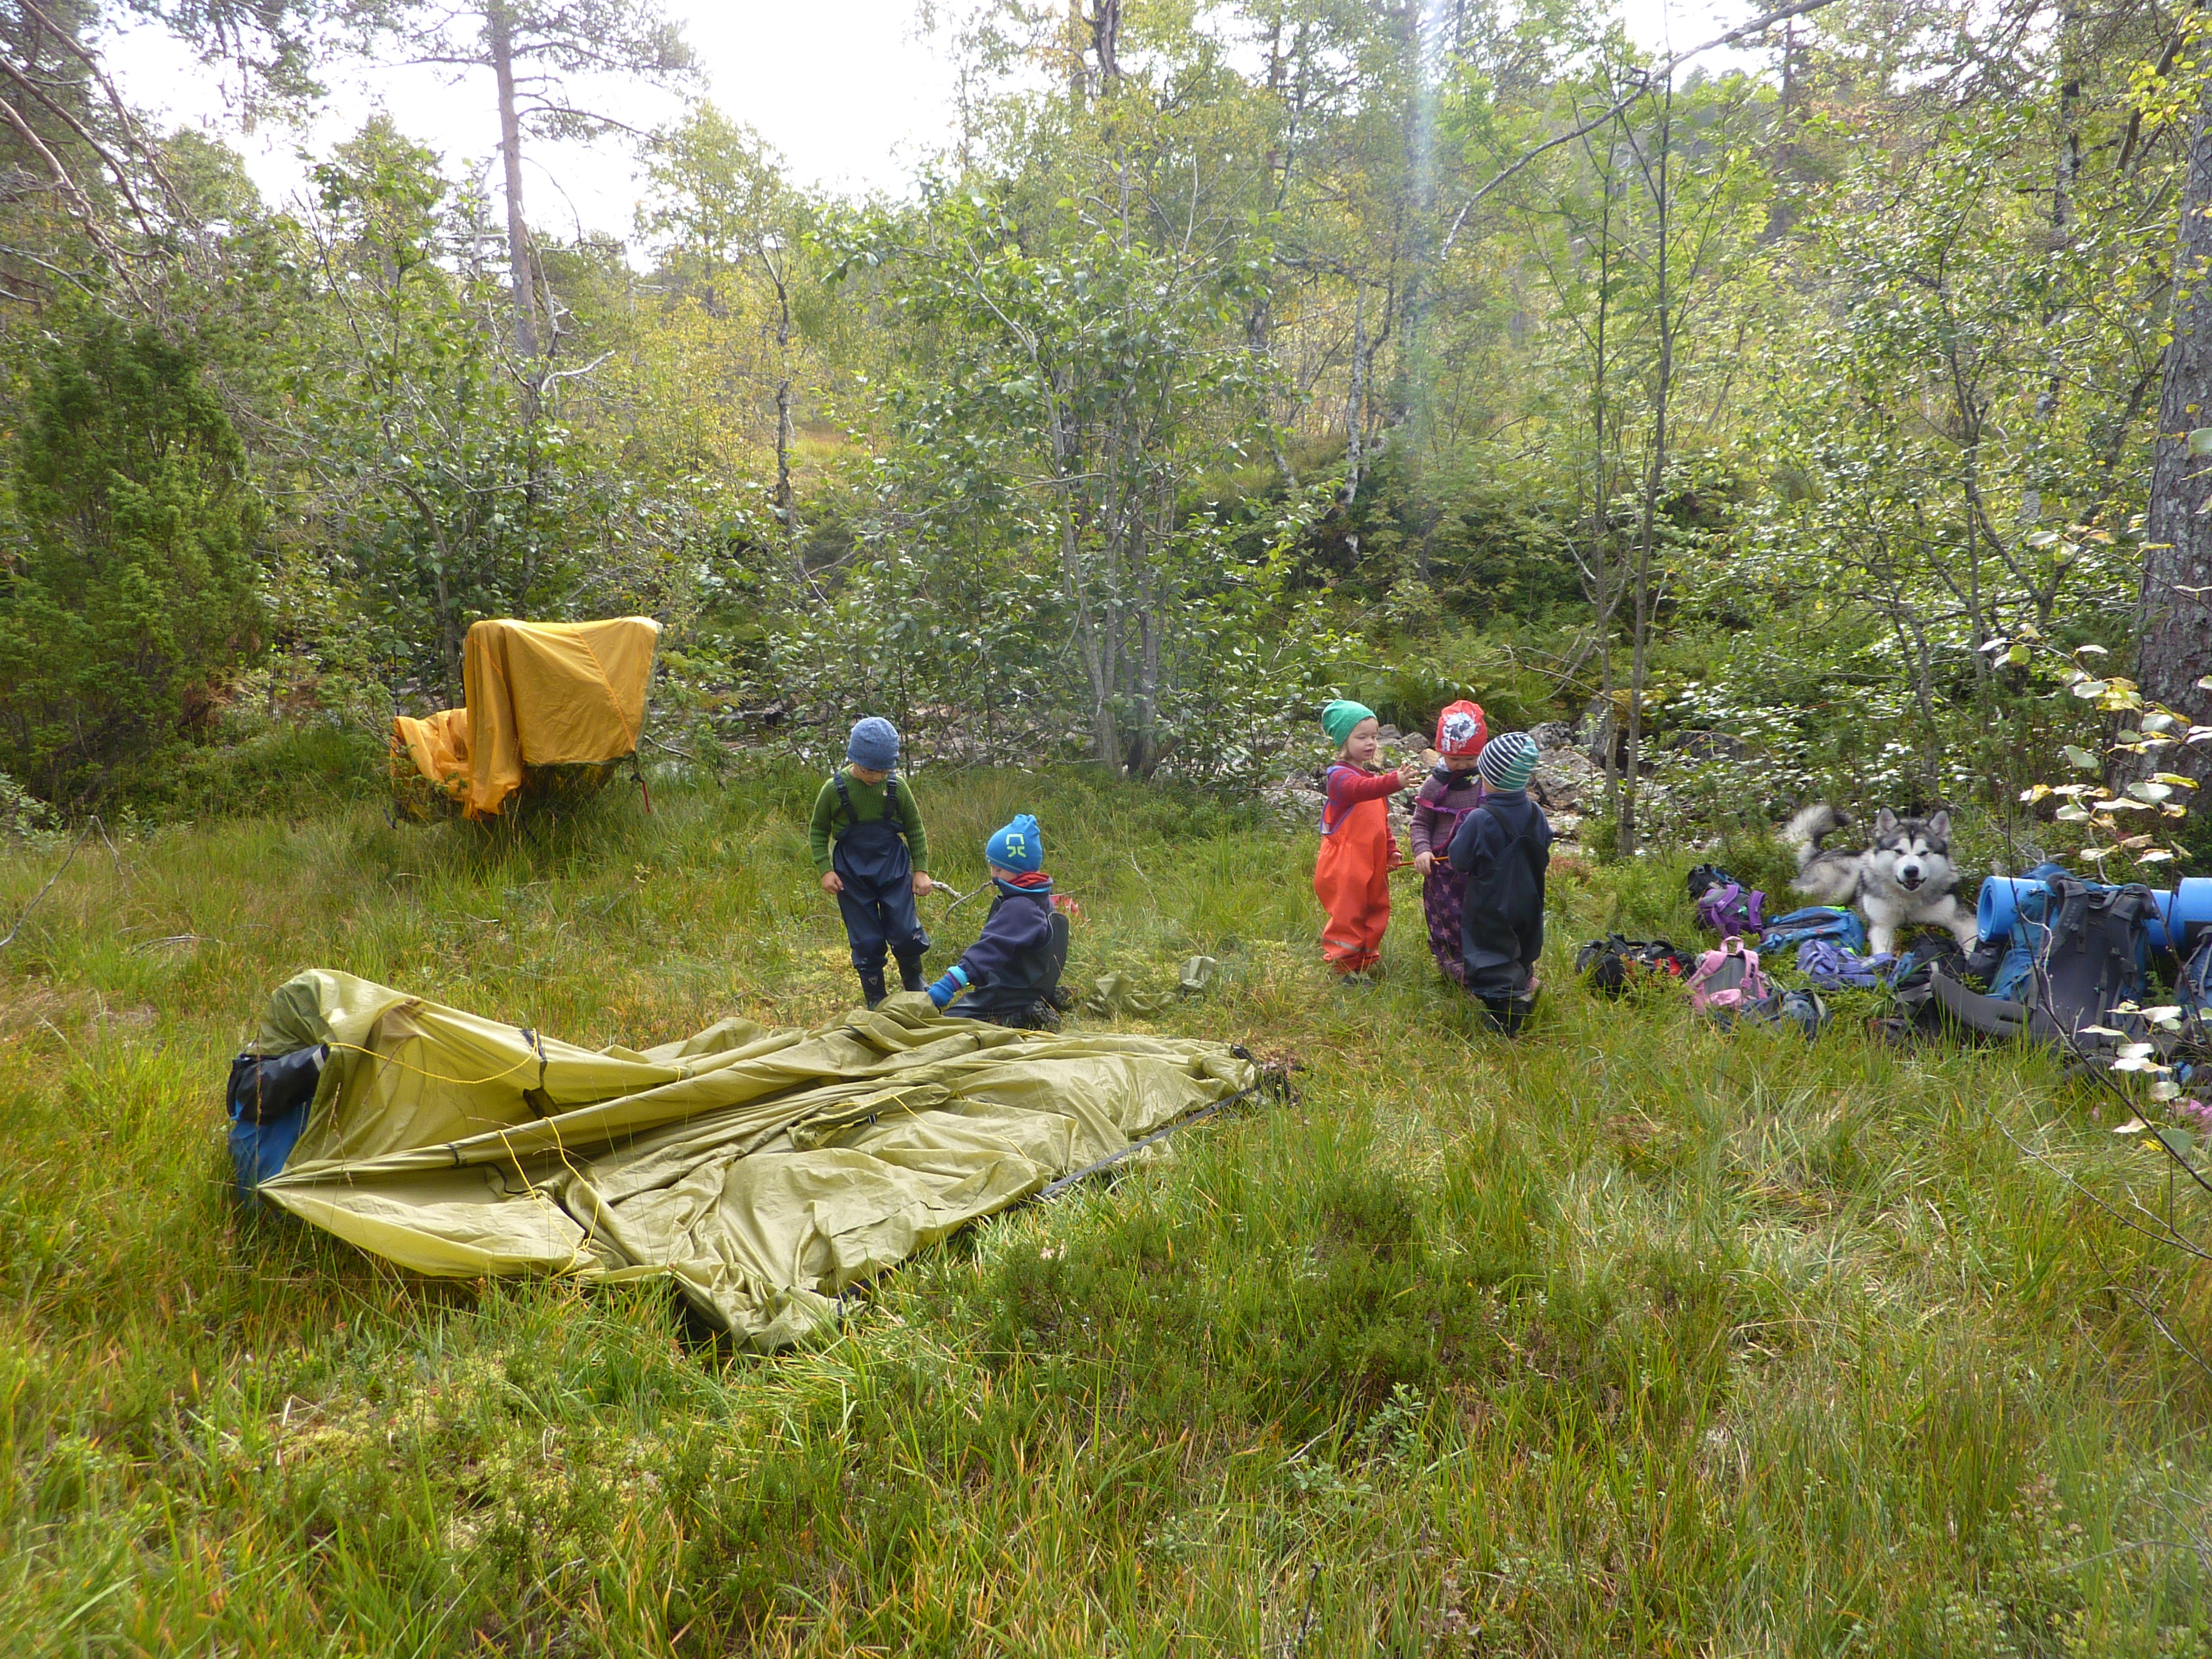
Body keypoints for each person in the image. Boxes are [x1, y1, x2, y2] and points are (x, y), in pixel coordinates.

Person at [810, 716, 936, 1009]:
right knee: (866, 939)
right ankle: (875, 996)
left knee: (905, 931)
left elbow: (915, 829)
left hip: (893, 866)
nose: (877, 777)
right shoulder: (834, 789)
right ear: (853, 758)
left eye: (884, 770)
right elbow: (818, 830)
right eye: (869, 770)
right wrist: (825, 870)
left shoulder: (897, 787)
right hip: (851, 872)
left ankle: (914, 980)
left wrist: (921, 871)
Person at [1447, 730, 1552, 1034]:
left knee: (1491, 951)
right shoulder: (1536, 813)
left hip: (1491, 901)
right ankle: (1523, 982)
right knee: (1524, 942)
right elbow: (1544, 845)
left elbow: (1459, 860)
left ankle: (1507, 1014)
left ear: (1491, 778)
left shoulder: (1480, 818)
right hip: (1530, 895)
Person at [1312, 699, 1424, 982]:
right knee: (1348, 912)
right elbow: (1362, 790)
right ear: (1343, 740)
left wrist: (1390, 850)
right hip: (1346, 861)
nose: (1370, 743)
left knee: (1376, 907)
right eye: (1361, 737)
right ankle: (1343, 967)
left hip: (1371, 859)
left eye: (1374, 736)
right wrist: (1395, 781)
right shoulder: (1339, 777)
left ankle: (1363, 961)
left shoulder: (1370, 777)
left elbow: (1381, 821)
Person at [927, 814, 1069, 1028]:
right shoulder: (1040, 898)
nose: (993, 876)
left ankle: (1019, 1017)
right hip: (1032, 984)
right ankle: (1042, 1000)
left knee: (950, 1023)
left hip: (1010, 990)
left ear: (1019, 868)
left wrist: (949, 984)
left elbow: (990, 949)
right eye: (992, 868)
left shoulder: (1021, 908)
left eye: (998, 870)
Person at [1410, 700, 1487, 985]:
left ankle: (1488, 967)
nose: (1463, 766)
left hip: (1482, 868)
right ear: (1441, 752)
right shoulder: (1434, 785)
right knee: (1447, 920)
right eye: (1455, 760)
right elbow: (1420, 823)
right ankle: (1455, 972)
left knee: (1483, 918)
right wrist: (1422, 850)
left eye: (1470, 759)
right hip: (1443, 872)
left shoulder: (1488, 783)